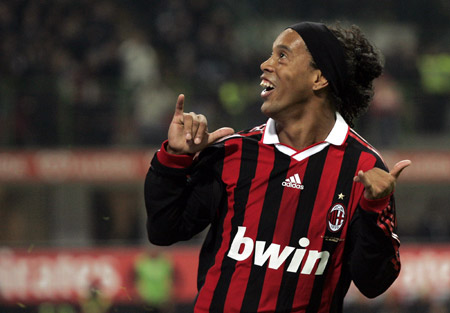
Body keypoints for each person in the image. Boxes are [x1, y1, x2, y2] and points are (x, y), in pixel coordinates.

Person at [144, 21, 411, 313]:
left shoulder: (363, 168)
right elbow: (164, 230)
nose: (265, 64)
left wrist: (374, 211)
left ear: (318, 78)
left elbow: (373, 283)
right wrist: (173, 160)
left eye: (282, 55)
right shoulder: (235, 152)